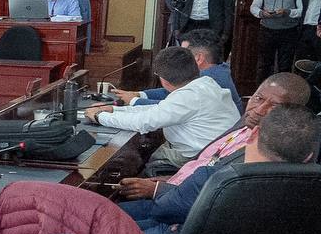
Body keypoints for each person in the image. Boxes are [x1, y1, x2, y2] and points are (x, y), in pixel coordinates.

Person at [124, 105, 319, 234]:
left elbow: (163, 212)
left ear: (253, 134)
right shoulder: (311, 202)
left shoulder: (215, 180)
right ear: (309, 157)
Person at [117, 72, 311, 202]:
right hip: (174, 185)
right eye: (258, 98)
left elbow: (217, 195)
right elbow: (203, 163)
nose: (259, 110)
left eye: (274, 106)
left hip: (179, 209)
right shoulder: (246, 122)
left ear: (292, 113)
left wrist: (157, 190)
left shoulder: (265, 149)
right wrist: (164, 181)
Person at [84, 46, 241, 171]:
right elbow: (159, 109)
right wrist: (115, 110)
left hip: (201, 158)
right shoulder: (205, 83)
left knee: (140, 159)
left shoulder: (187, 96)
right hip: (222, 154)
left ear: (163, 79)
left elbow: (143, 123)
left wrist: (99, 117)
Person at [113, 28, 242, 113]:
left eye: (183, 52)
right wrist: (139, 94)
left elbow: (173, 106)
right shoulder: (216, 70)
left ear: (198, 58)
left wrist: (134, 101)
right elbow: (173, 91)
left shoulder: (209, 80)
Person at [251, 0, 302, 80]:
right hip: (267, 30)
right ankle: (261, 91)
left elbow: (302, 10)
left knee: (285, 65)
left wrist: (288, 12)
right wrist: (262, 13)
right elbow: (253, 7)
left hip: (288, 31)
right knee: (264, 64)